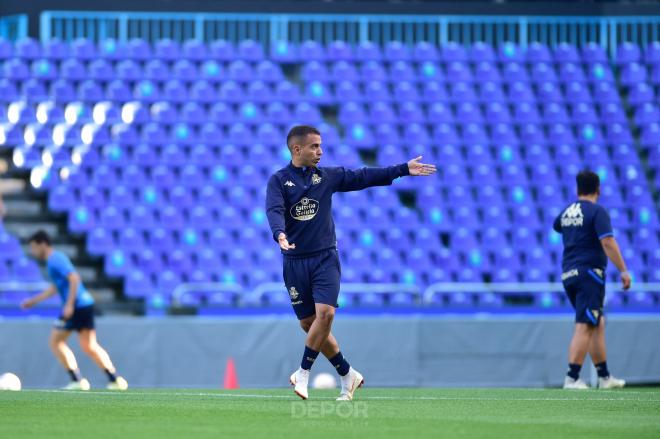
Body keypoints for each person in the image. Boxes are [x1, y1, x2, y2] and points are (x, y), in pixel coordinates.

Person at [266, 125, 436, 400]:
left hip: (324, 258)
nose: (320, 151)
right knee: (310, 325)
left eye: (321, 146)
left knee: (327, 315)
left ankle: (303, 373)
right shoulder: (278, 181)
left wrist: (403, 169)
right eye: (314, 146)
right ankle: (347, 374)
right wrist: (279, 233)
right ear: (297, 149)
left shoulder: (327, 177)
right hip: (294, 262)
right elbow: (273, 210)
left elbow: (364, 176)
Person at [21, 230, 128, 390]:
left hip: (77, 306)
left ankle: (78, 380)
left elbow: (74, 278)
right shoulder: (54, 260)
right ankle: (115, 379)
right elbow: (56, 287)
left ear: (42, 244)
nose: (33, 252)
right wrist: (33, 301)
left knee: (56, 341)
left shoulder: (55, 259)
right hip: (83, 305)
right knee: (88, 345)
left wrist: (69, 304)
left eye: (34, 247)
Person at [553, 170, 631, 390]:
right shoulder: (598, 212)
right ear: (599, 189)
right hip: (589, 273)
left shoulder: (567, 211)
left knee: (597, 322)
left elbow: (557, 225)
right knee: (585, 324)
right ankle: (572, 378)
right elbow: (607, 242)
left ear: (577, 190)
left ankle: (604, 377)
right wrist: (623, 271)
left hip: (569, 274)